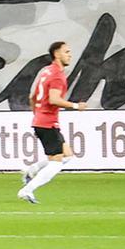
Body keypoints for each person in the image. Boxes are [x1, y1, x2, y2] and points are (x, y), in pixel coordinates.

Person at [19, 40, 87, 204]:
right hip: (47, 123)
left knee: (68, 155)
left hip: (42, 121)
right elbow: (54, 99)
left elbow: (32, 97)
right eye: (66, 52)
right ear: (57, 54)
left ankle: (32, 170)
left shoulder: (46, 72)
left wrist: (38, 114)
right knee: (56, 164)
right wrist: (76, 106)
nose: (70, 55)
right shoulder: (57, 75)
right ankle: (26, 191)